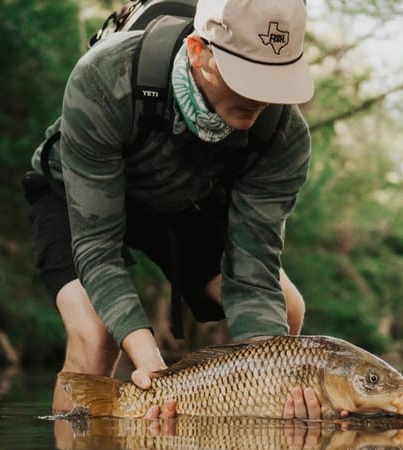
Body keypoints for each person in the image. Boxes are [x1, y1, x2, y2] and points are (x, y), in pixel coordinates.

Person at [24, 0, 320, 418]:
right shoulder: (105, 78)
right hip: (76, 198)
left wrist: (276, 383)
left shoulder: (283, 137)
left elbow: (254, 275)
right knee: (96, 336)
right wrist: (151, 367)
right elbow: (96, 246)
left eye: (275, 80)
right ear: (200, 51)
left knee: (287, 311)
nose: (261, 98)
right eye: (248, 77)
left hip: (183, 205)